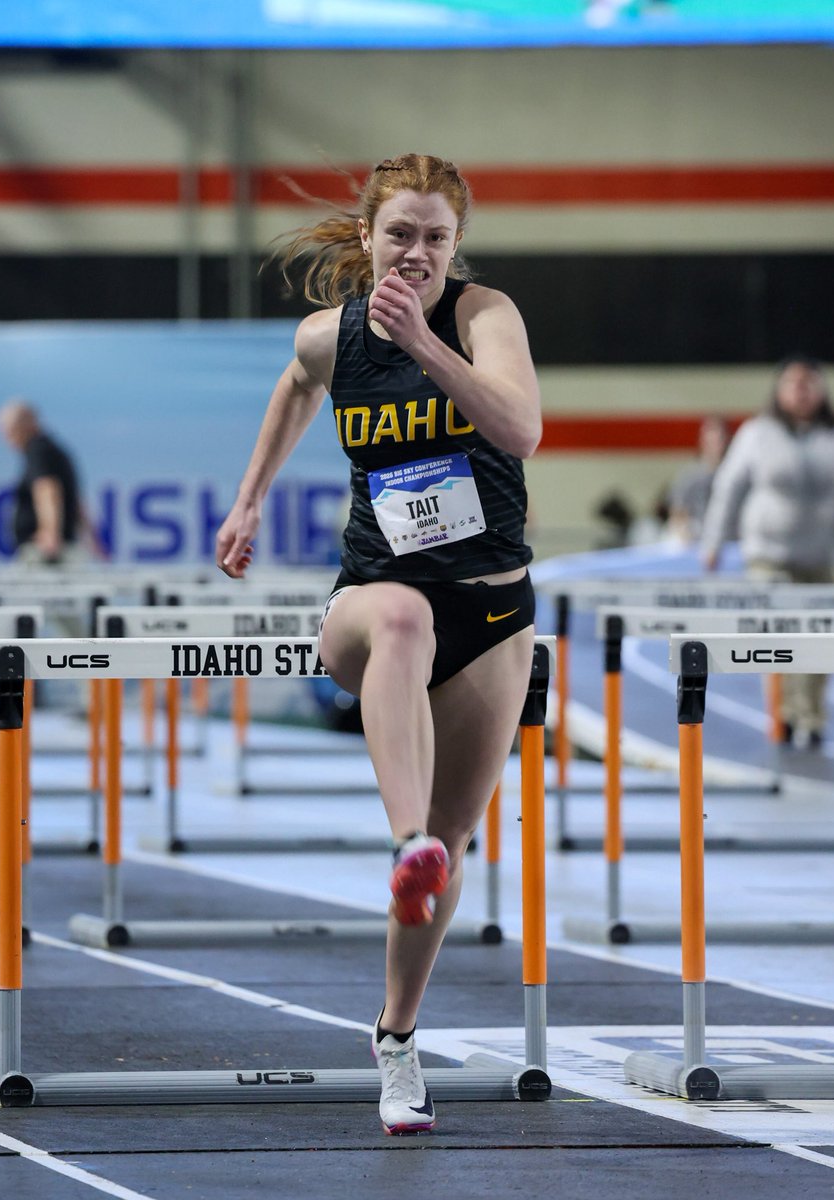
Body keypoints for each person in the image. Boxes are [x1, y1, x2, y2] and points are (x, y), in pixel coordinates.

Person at [215, 153, 542, 1135]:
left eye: (436, 237)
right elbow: (294, 386)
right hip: (372, 601)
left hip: (489, 613)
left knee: (451, 859)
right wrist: (249, 501)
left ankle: (396, 1036)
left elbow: (521, 429)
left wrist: (429, 348)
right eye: (400, 233)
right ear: (368, 236)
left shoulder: (486, 316)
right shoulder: (332, 336)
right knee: (399, 612)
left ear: (456, 245)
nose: (417, 253)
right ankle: (413, 841)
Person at [700, 355, 834, 749]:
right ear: (779, 390)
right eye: (794, 383)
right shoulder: (757, 434)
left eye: (810, 382)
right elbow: (729, 489)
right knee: (779, 637)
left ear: (822, 390)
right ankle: (785, 714)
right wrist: (713, 543)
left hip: (823, 557)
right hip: (769, 557)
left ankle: (812, 715)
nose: (802, 390)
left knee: (823, 640)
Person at [0, 399, 98, 565]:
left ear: (24, 425)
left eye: (8, 430)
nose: (5, 437)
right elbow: (76, 501)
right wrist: (93, 538)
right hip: (61, 548)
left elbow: (47, 490)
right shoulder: (52, 449)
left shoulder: (38, 450)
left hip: (47, 553)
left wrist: (50, 533)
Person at [665, 416, 730, 545]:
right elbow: (678, 514)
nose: (715, 444)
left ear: (727, 440)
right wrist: (685, 535)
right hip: (696, 541)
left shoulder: (734, 474)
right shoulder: (689, 476)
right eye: (710, 439)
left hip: (727, 539)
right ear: (702, 441)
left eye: (719, 439)